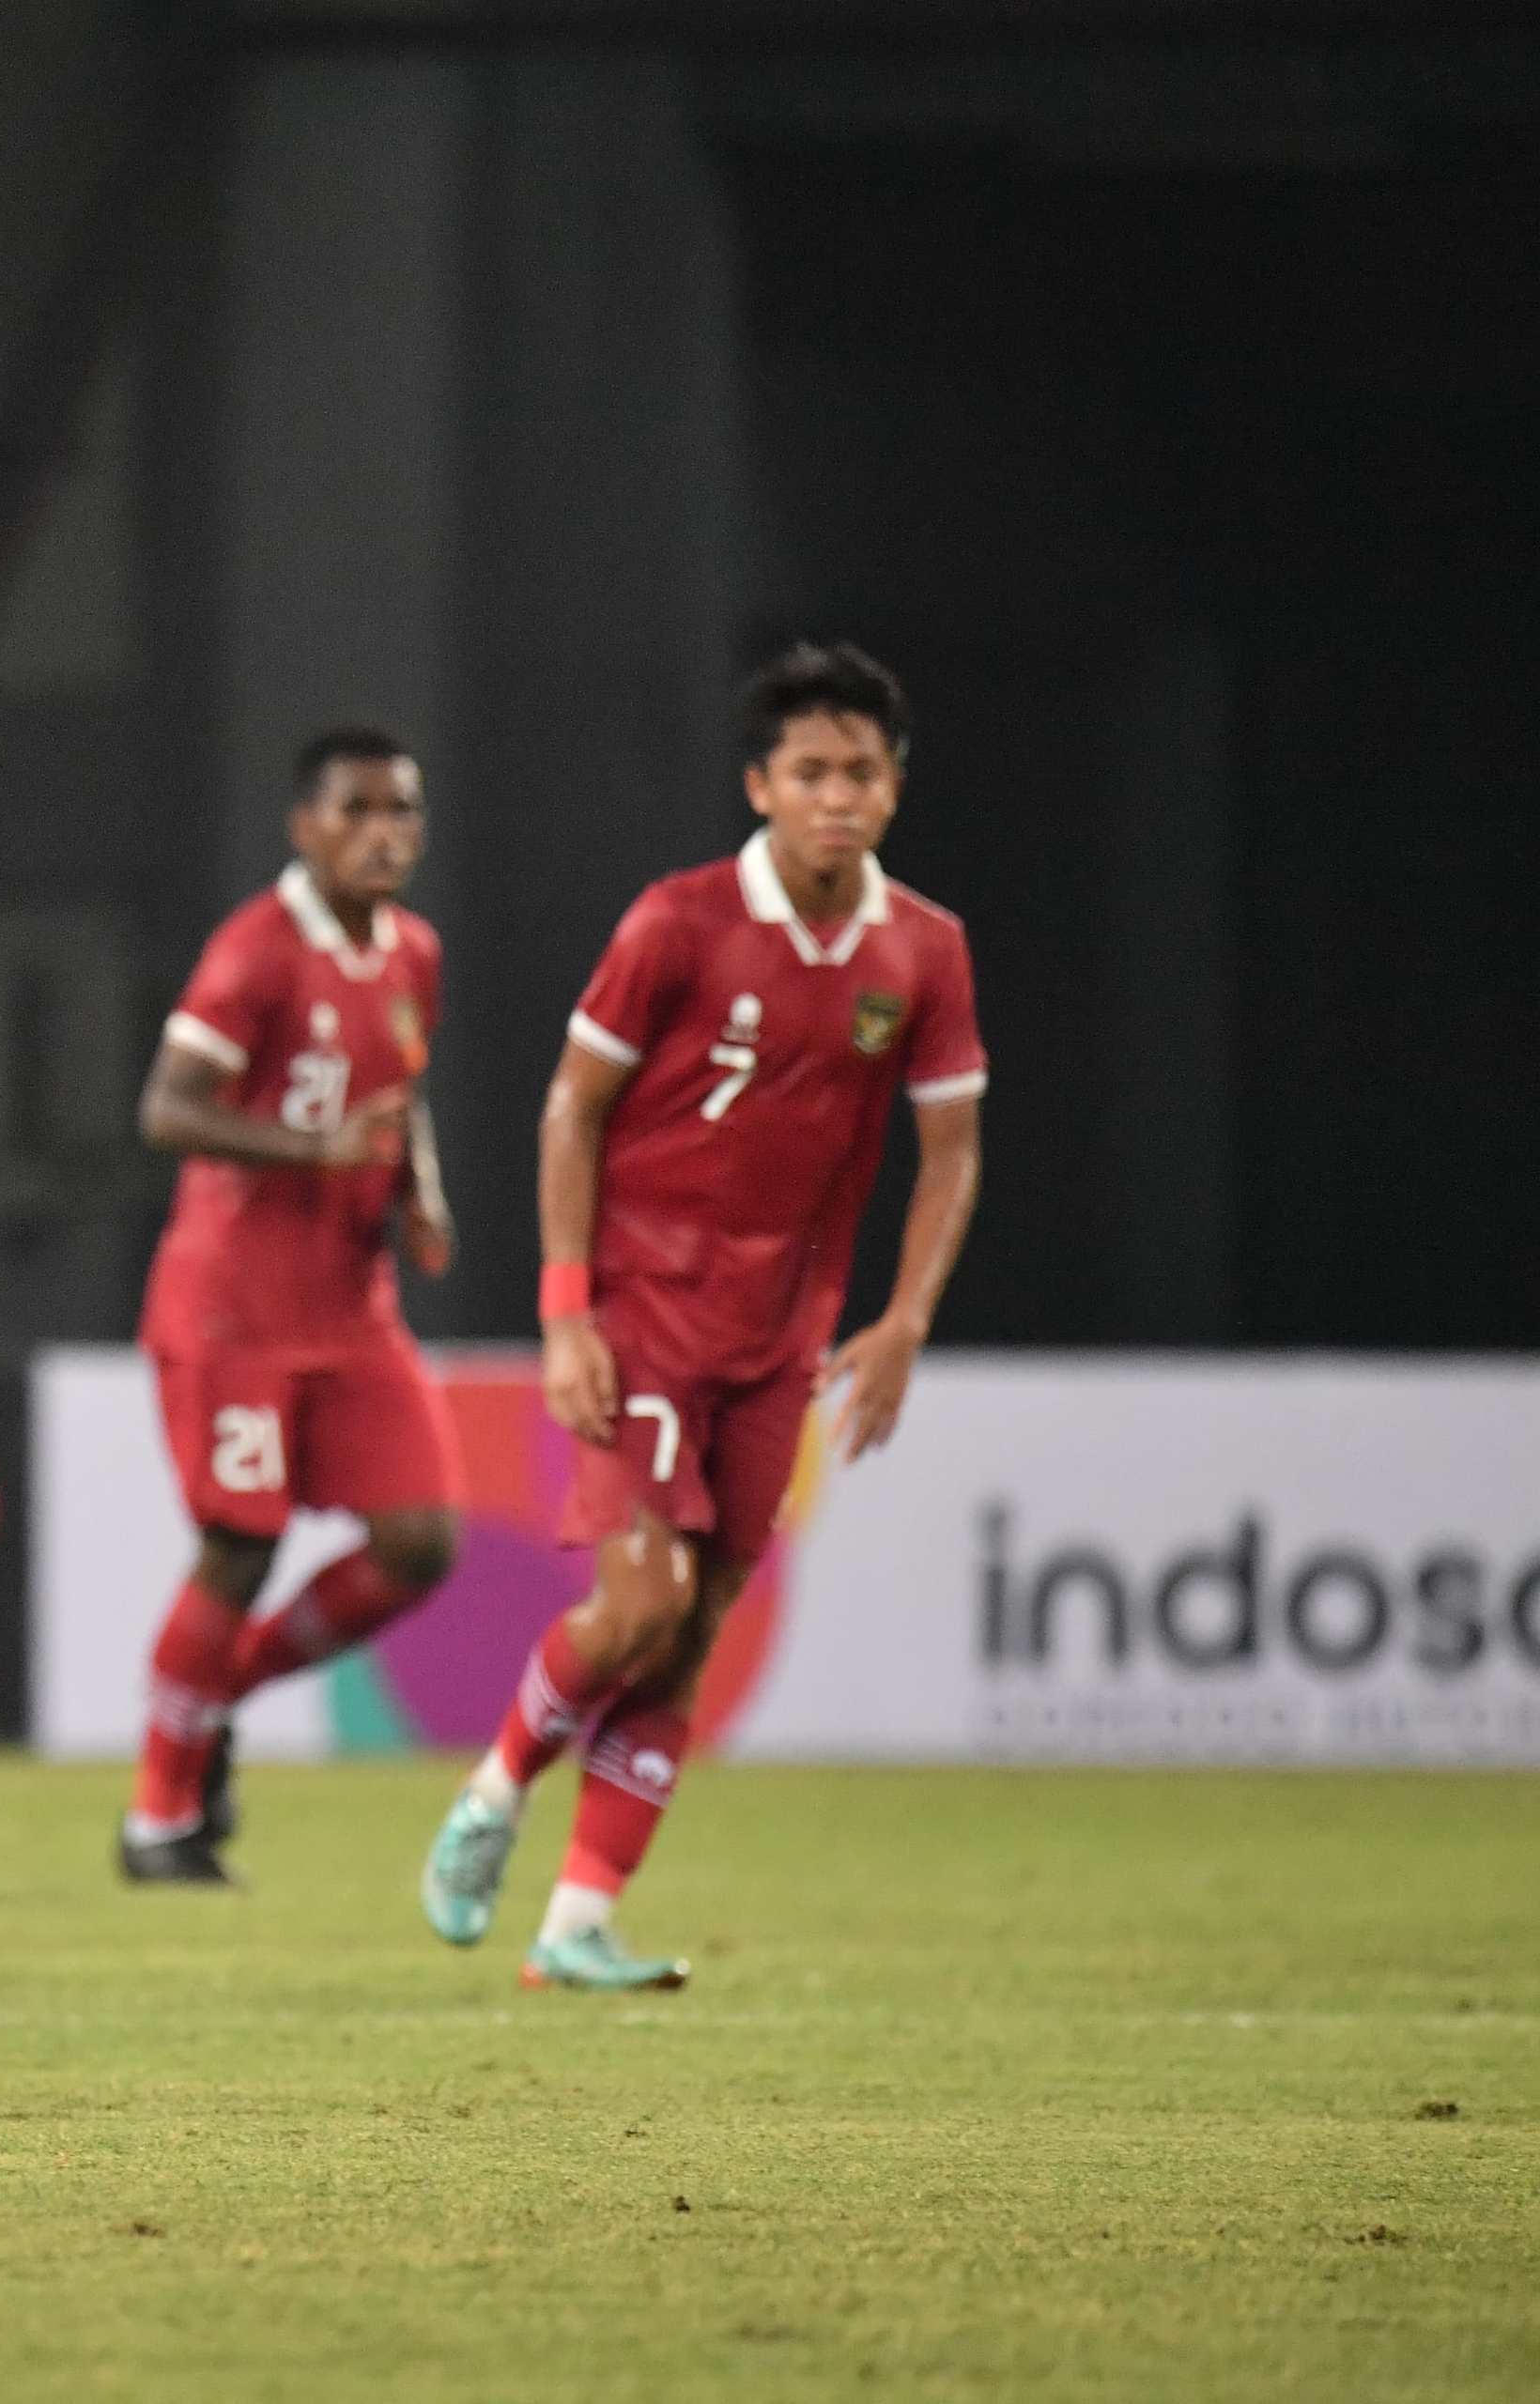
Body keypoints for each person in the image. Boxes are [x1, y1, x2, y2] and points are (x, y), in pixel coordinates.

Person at [419, 641, 985, 1989]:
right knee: (638, 1603)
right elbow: (574, 1108)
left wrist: (904, 1317)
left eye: (863, 771)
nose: (838, 795)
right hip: (646, 1314)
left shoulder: (924, 947)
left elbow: (953, 1148)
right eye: (811, 772)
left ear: (895, 787)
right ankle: (492, 1796)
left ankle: (575, 1925)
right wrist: (566, 1314)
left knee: (702, 1617)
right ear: (761, 785)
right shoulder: (677, 923)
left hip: (785, 1332)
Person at [117, 728, 460, 1883]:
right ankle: (159, 1820)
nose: (384, 832)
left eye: (401, 810)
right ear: (304, 826)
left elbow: (400, 1099)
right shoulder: (257, 951)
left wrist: (422, 1194)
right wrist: (317, 1146)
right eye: (357, 809)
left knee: (420, 1542)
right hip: (235, 1307)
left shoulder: (414, 951)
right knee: (241, 1540)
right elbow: (166, 1109)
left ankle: (215, 1696)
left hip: (352, 1304)